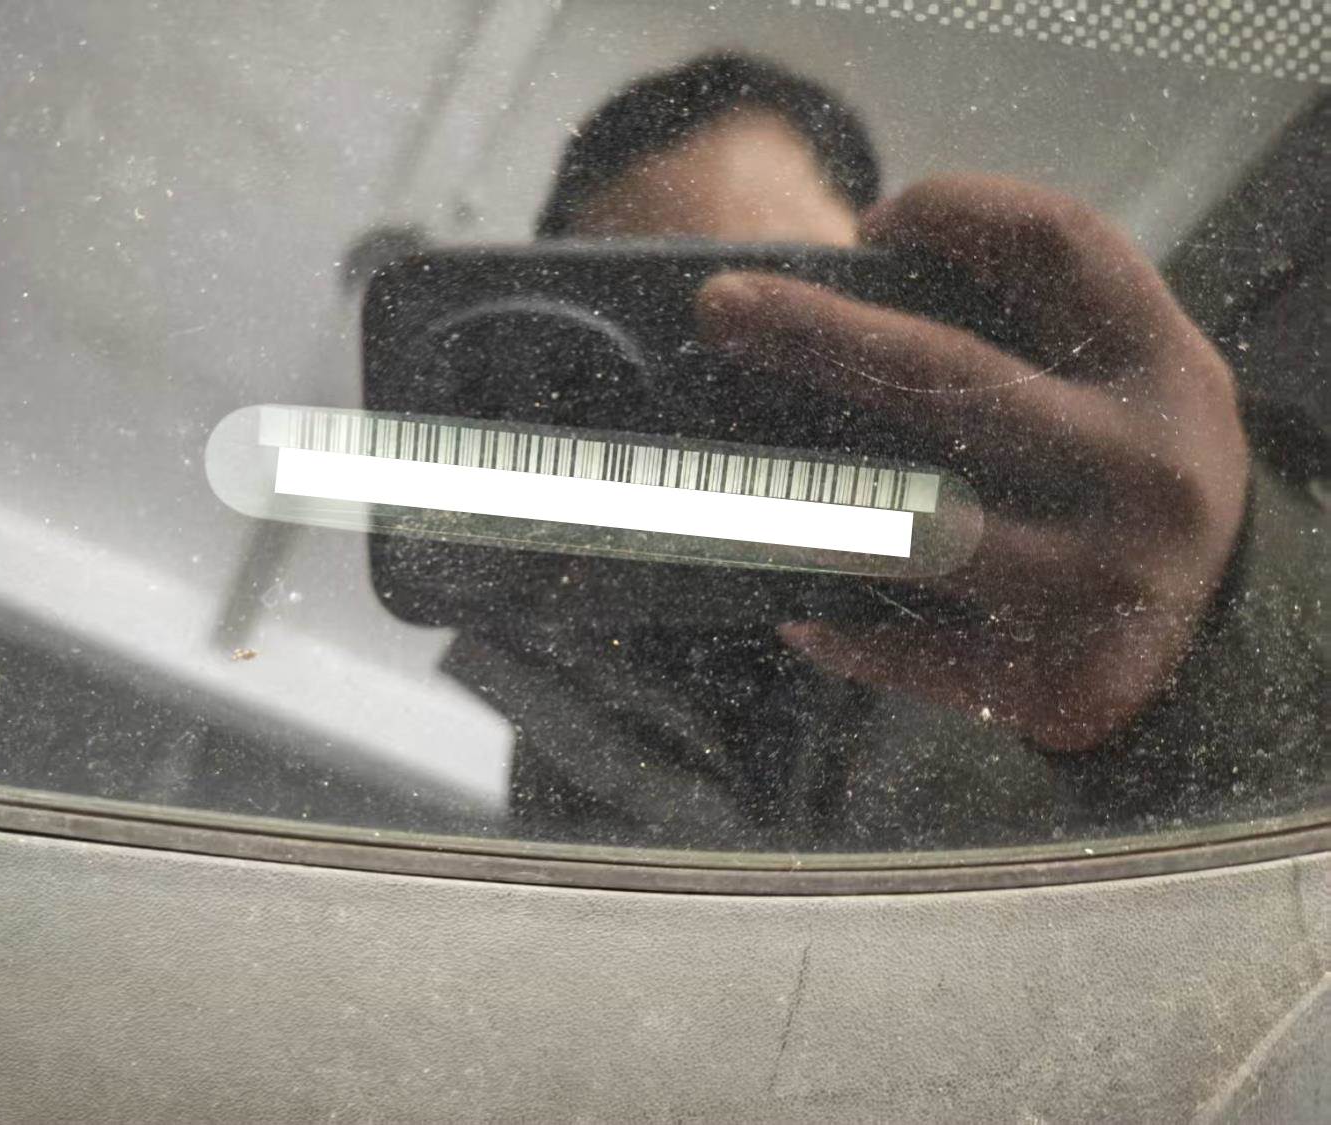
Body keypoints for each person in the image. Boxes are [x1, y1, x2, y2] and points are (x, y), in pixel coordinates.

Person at [441, 53, 1325, 850]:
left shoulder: (1049, 581)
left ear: (884, 295)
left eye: (782, 312)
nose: (728, 401)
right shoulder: (563, 692)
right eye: (662, 336)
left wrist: (1212, 637)